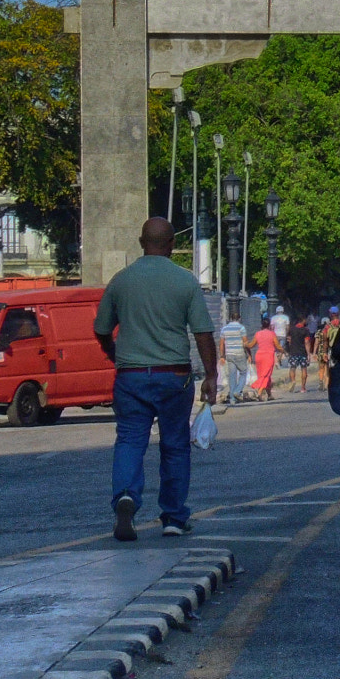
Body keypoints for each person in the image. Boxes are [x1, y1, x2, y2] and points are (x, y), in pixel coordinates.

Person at [95, 218, 218, 541]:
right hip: (174, 375)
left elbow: (101, 329)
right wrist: (211, 375)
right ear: (173, 244)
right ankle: (174, 517)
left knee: (130, 440)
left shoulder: (121, 281)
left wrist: (114, 352)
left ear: (140, 242)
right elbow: (203, 332)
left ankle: (126, 496)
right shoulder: (185, 282)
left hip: (131, 375)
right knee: (175, 446)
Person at [218, 310, 249, 407]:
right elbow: (245, 342)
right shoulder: (241, 328)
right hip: (240, 354)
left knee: (232, 376)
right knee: (243, 373)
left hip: (229, 354)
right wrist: (249, 354)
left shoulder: (224, 329)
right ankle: (237, 391)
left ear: (230, 318)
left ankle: (232, 399)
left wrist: (222, 356)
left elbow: (221, 344)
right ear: (239, 318)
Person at [251, 321, 279, 401]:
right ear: (269, 325)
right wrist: (282, 350)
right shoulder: (272, 334)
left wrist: (245, 344)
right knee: (266, 375)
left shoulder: (258, 333)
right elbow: (277, 345)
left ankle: (269, 395)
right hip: (268, 356)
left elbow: (252, 344)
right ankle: (259, 393)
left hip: (259, 356)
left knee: (263, 375)